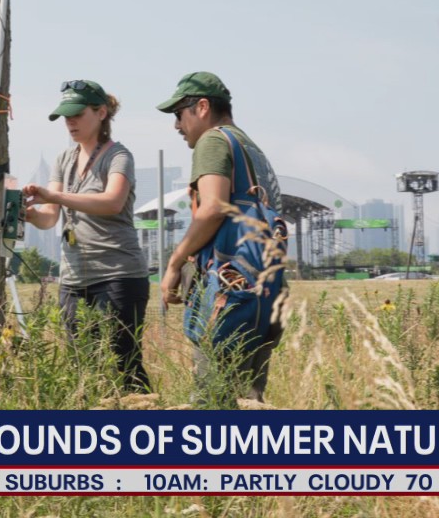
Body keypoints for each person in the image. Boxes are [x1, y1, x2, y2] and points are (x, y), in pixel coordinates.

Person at [156, 71, 285, 404]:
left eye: (178, 114)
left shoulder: (213, 140)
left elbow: (213, 207)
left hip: (228, 297)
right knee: (249, 401)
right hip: (264, 300)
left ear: (201, 107)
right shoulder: (251, 148)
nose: (176, 125)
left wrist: (173, 263)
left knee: (211, 404)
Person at [22, 80, 152, 393]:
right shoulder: (63, 160)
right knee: (82, 364)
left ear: (101, 113)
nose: (70, 122)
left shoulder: (118, 156)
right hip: (74, 279)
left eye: (77, 114)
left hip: (118, 275)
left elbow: (112, 202)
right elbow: (50, 218)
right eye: (65, 116)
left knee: (125, 362)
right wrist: (27, 213)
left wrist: (54, 197)